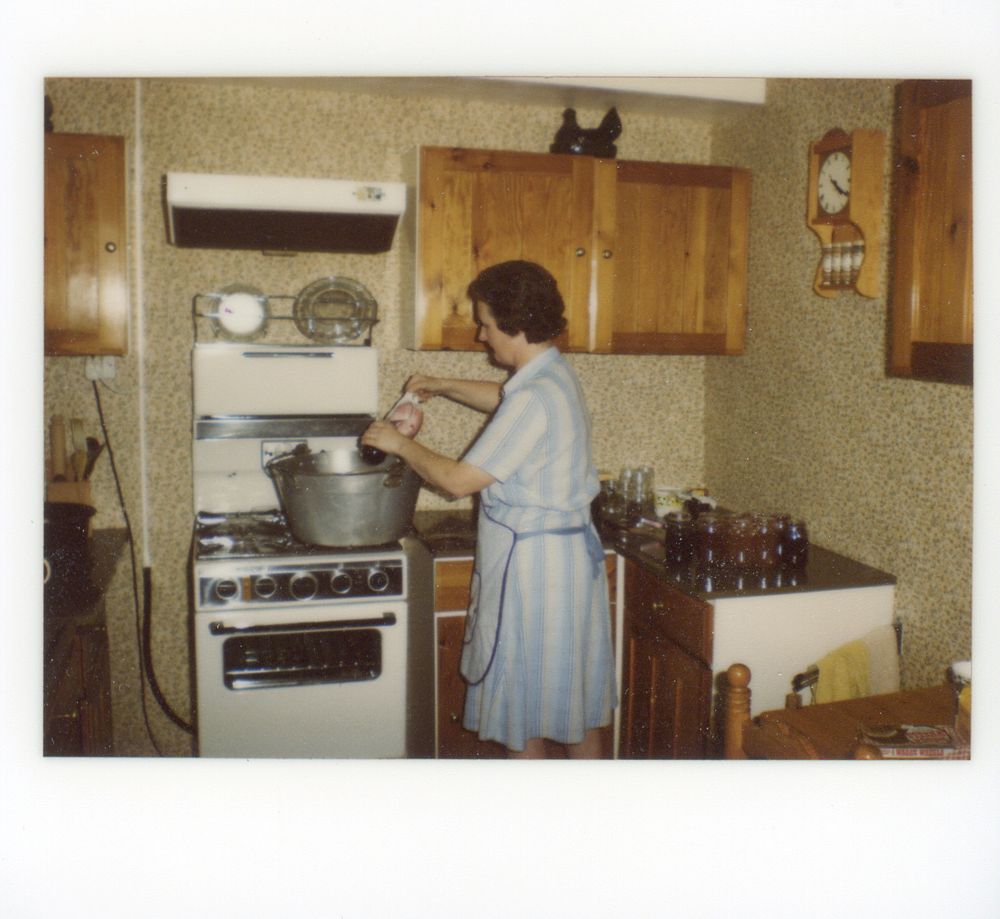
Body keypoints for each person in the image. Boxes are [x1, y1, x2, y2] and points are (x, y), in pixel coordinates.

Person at [361, 260, 616, 759]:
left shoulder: (534, 398)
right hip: (561, 566)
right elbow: (505, 397)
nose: (481, 335)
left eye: (486, 323)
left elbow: (457, 482)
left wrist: (398, 443)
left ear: (514, 325)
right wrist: (443, 384)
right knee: (573, 709)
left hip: (535, 574)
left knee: (523, 718)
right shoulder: (552, 376)